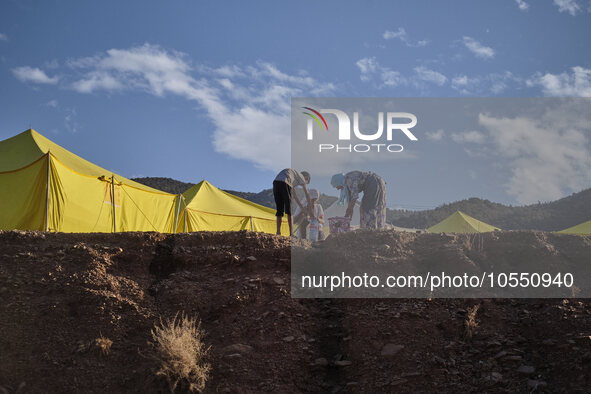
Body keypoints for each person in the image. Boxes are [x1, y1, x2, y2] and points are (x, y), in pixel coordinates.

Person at [273, 168, 311, 236]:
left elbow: (295, 196)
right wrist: (309, 207)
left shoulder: (293, 176)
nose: (303, 184)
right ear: (306, 178)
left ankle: (278, 232)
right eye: (306, 182)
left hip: (276, 182)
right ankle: (291, 233)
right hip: (285, 182)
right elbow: (306, 193)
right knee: (289, 210)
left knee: (279, 209)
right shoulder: (301, 176)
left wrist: (302, 208)